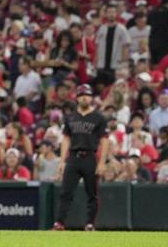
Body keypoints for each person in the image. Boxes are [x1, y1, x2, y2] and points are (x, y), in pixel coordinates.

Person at [53, 84, 107, 231]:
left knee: (92, 193)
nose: (84, 97)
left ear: (91, 98)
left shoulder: (98, 117)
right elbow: (65, 139)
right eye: (82, 95)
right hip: (73, 157)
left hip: (90, 156)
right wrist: (62, 160)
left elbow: (104, 140)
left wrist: (102, 162)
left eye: (87, 95)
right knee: (66, 192)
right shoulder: (71, 117)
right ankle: (59, 223)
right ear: (77, 98)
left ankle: (90, 224)